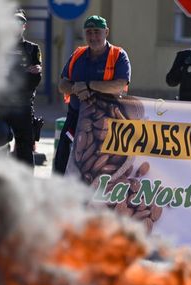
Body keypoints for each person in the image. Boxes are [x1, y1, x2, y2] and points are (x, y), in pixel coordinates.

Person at [53, 15, 130, 175]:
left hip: (106, 122)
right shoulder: (78, 55)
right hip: (76, 118)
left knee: (99, 168)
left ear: (106, 32)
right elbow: (62, 85)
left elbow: (120, 85)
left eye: (97, 32)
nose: (93, 36)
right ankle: (58, 195)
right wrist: (76, 88)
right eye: (89, 32)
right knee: (62, 158)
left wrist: (89, 85)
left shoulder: (118, 55)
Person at [0, 10, 42, 166]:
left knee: (24, 150)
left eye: (19, 23)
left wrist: (35, 72)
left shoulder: (32, 49)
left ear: (24, 26)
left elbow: (35, 79)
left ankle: (25, 185)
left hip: (22, 107)